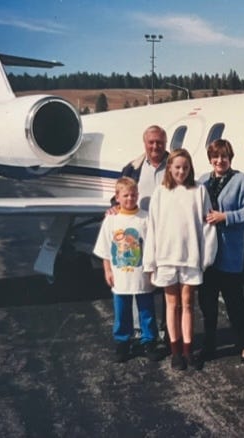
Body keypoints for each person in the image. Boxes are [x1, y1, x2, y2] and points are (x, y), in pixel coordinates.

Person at [143, 149, 218, 371]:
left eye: (185, 167)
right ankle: (175, 352)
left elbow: (208, 226)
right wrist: (150, 262)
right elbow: (152, 228)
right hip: (166, 259)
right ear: (169, 168)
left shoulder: (199, 191)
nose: (181, 171)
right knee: (171, 305)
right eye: (177, 167)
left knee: (187, 305)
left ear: (190, 168)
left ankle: (188, 351)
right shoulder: (160, 192)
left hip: (190, 259)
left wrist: (205, 259)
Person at [197, 139, 244, 366]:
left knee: (235, 302)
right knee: (207, 303)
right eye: (215, 156)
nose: (219, 161)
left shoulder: (242, 181)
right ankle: (210, 345)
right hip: (207, 255)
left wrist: (226, 217)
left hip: (229, 254)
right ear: (210, 158)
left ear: (230, 158)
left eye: (224, 156)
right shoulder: (202, 180)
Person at [108, 125, 169, 346]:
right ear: (145, 144)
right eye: (151, 142)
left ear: (165, 143)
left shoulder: (175, 166)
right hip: (141, 236)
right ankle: (139, 333)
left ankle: (166, 331)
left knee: (167, 286)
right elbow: (119, 194)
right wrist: (113, 208)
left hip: (167, 236)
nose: (155, 146)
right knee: (138, 283)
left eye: (160, 142)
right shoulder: (132, 168)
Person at [93, 177, 163, 363]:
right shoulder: (111, 220)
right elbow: (106, 249)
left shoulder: (145, 218)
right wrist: (107, 270)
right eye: (125, 195)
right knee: (121, 310)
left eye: (133, 195)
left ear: (138, 195)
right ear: (117, 197)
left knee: (146, 310)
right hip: (120, 275)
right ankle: (123, 341)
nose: (130, 199)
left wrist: (153, 270)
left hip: (142, 274)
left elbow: (152, 246)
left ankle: (149, 341)